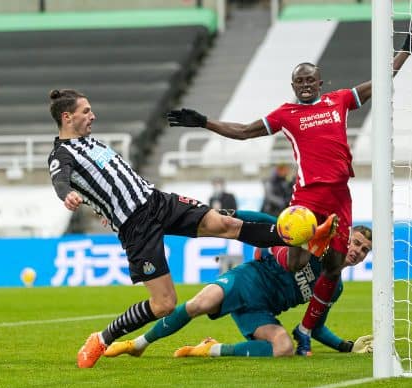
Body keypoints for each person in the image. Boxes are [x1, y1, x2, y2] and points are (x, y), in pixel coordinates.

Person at [166, 22, 412, 355]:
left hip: (340, 197)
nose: (306, 85)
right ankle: (285, 246)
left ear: (321, 83)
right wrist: (206, 122)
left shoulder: (338, 101)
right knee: (295, 263)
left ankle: (307, 327)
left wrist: (407, 48)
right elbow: (245, 131)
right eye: (300, 81)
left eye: (311, 80)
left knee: (334, 267)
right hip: (308, 197)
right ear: (293, 85)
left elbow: (380, 83)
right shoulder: (287, 114)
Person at [47, 89, 336, 368]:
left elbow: (108, 182)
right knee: (164, 305)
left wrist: (101, 207)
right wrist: (67, 195)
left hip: (157, 201)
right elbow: (61, 180)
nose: (93, 115)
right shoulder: (61, 155)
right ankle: (102, 338)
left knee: (225, 224)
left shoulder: (93, 143)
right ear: (67, 117)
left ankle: (300, 236)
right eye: (86, 111)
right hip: (136, 226)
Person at [103, 210, 373, 359]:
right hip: (248, 279)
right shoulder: (318, 246)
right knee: (199, 304)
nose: (358, 251)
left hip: (262, 312)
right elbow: (271, 223)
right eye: (357, 243)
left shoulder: (334, 287)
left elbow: (316, 327)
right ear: (345, 238)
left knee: (284, 348)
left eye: (364, 251)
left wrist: (346, 346)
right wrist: (226, 214)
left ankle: (211, 349)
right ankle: (138, 344)